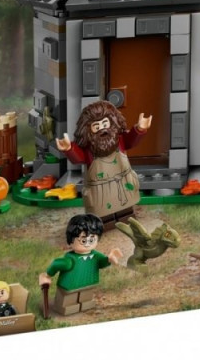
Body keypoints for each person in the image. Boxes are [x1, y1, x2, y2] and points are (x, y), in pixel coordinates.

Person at [56, 100, 151, 228]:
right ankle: (105, 224)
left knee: (125, 208)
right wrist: (69, 148)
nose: (102, 129)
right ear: (88, 130)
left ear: (113, 122)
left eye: (105, 124)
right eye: (97, 126)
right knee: (102, 211)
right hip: (100, 189)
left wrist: (139, 129)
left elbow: (131, 140)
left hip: (122, 182)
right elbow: (78, 158)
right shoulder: (89, 149)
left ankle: (126, 217)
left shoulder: (120, 140)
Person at [39, 214, 122, 316]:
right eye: (83, 240)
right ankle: (64, 308)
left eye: (91, 240)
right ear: (71, 239)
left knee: (85, 299)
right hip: (69, 286)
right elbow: (56, 264)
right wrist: (47, 275)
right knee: (68, 302)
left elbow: (101, 263)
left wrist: (109, 259)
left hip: (89, 283)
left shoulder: (95, 255)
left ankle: (85, 306)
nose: (87, 243)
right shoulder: (70, 260)